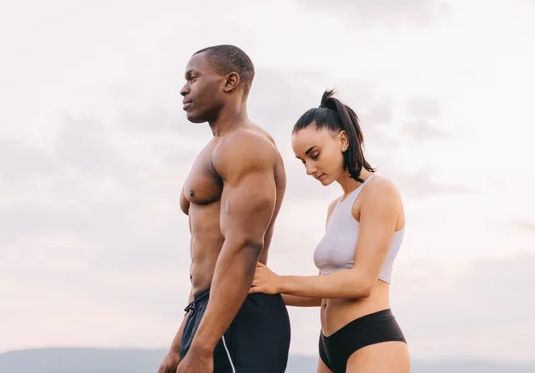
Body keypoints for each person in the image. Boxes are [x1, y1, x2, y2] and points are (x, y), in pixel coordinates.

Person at [249, 90, 410, 373]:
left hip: (371, 341)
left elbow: (361, 283)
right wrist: (257, 288)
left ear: (343, 140)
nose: (310, 168)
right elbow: (325, 291)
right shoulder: (335, 207)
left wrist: (280, 281)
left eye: (314, 154)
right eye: (302, 161)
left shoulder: (379, 192)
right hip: (329, 346)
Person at [157, 45, 291, 373]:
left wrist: (202, 347)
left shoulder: (247, 145)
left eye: (194, 77)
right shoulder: (215, 148)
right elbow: (208, 266)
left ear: (230, 82)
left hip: (239, 318)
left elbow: (244, 246)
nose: (183, 88)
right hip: (209, 314)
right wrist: (180, 344)